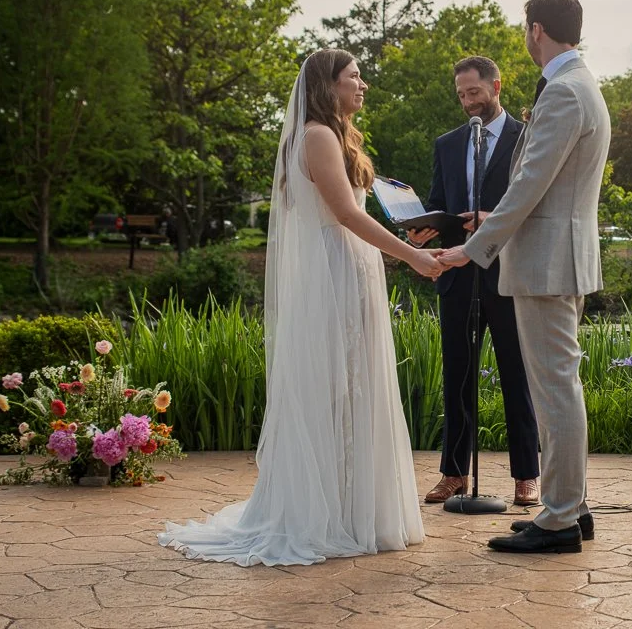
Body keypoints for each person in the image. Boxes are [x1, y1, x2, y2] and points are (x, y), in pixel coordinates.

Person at [159, 48, 439, 566]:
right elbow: (346, 217)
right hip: (331, 273)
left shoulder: (334, 137)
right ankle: (330, 513)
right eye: (354, 77)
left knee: (354, 385)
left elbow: (354, 215)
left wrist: (413, 240)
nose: (363, 85)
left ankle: (354, 509)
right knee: (336, 385)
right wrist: (414, 258)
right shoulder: (316, 135)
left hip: (350, 269)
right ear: (327, 85)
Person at [439, 0, 610, 553]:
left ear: (536, 30)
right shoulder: (580, 85)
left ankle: (559, 519)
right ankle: (572, 505)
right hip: (558, 256)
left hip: (545, 261)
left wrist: (472, 248)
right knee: (561, 385)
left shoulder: (564, 92)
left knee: (556, 389)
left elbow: (528, 185)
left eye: (524, 29)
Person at [407, 56, 540, 507]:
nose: (468, 102)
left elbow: (535, 205)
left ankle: (527, 475)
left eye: (474, 93)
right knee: (457, 375)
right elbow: (442, 202)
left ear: (496, 86)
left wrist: (493, 220)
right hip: (459, 277)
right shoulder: (447, 144)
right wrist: (427, 227)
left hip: (508, 273)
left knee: (516, 375)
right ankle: (454, 474)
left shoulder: (528, 138)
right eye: (461, 95)